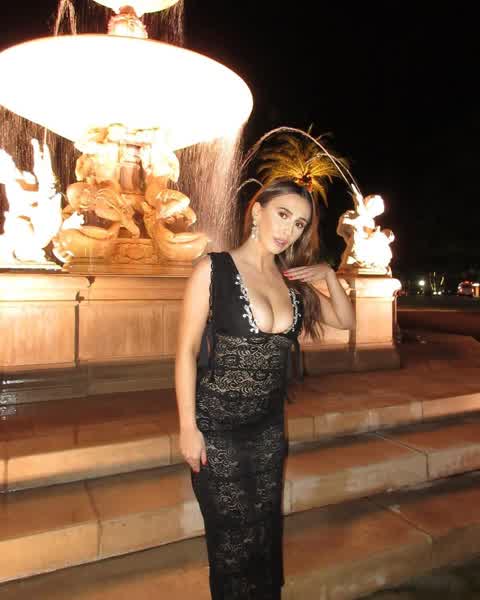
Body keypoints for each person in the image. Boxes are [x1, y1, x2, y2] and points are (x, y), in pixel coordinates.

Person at [175, 177, 356, 599]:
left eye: (299, 224)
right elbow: (185, 352)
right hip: (217, 429)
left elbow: (345, 321)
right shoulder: (212, 269)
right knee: (230, 539)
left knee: (263, 533)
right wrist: (187, 426)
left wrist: (328, 274)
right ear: (257, 211)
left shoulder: (291, 282)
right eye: (283, 214)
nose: (288, 230)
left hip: (268, 430)